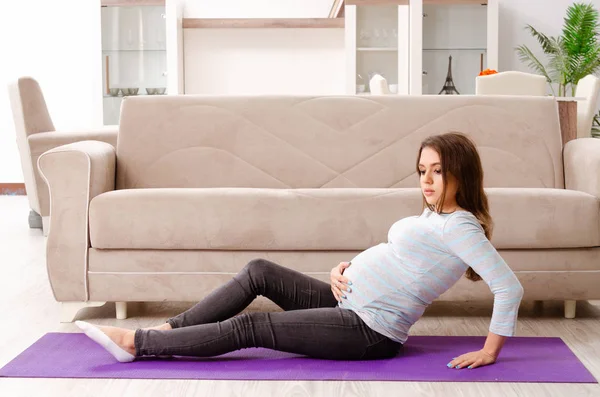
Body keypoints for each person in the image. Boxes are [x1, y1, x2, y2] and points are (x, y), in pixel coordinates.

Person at [76, 131, 524, 369]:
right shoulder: (437, 216)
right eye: (422, 170)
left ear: (460, 173)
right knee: (258, 271)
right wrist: (347, 267)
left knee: (253, 327)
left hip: (368, 329)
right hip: (346, 298)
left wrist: (490, 350)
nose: (425, 180)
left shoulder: (461, 226)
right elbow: (405, 260)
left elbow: (509, 288)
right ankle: (171, 327)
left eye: (437, 171)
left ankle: (139, 344)